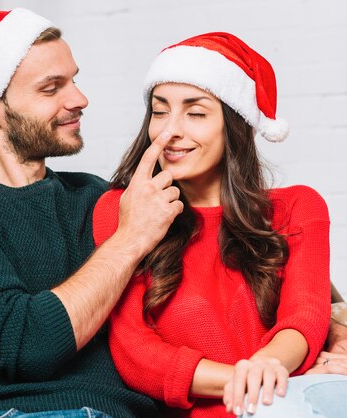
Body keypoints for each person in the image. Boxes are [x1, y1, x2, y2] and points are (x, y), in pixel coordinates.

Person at [0, 9, 184, 418]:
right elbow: (24, 344)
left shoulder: (101, 198)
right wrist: (131, 238)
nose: (79, 99)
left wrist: (298, 356)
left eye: (74, 80)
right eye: (52, 88)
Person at [92, 32, 347, 418]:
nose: (169, 131)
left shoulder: (297, 207)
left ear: (234, 125)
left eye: (195, 113)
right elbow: (134, 352)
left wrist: (266, 366)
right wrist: (247, 379)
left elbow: (305, 315)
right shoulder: (120, 210)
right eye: (160, 111)